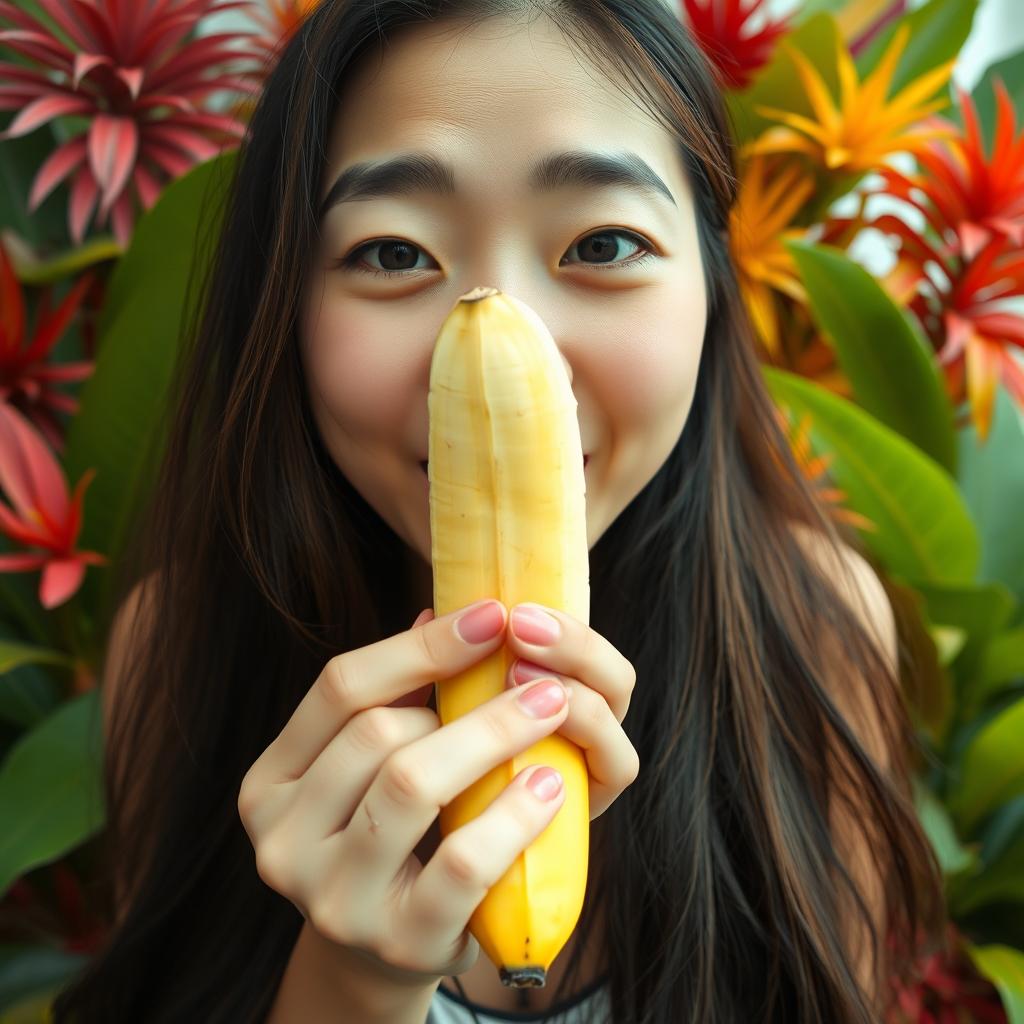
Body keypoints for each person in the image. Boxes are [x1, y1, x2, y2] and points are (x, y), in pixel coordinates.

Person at [51, 1, 950, 1021]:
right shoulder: (182, 648)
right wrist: (351, 984)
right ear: (284, 306)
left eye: (603, 242)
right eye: (393, 253)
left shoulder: (814, 631)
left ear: (713, 284)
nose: (498, 346)